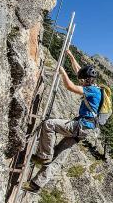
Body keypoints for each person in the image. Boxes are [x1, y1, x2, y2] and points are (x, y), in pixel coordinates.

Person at [23, 50, 101, 193]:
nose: (81, 80)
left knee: (49, 124)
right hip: (85, 129)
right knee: (59, 155)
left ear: (87, 79)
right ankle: (36, 185)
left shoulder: (91, 90)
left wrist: (62, 71)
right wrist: (71, 56)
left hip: (81, 126)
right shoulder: (94, 87)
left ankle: (44, 156)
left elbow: (70, 87)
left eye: (82, 79)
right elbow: (78, 70)